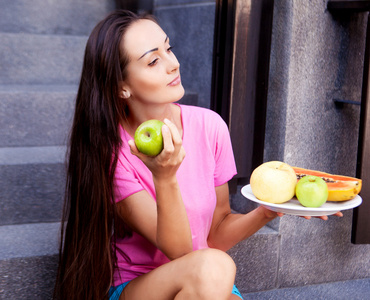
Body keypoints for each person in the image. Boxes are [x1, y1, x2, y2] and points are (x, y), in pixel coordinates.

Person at [53, 9, 343, 300]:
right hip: (142, 286)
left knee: (214, 272)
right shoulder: (114, 151)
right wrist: (164, 177)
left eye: (169, 49)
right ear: (122, 88)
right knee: (215, 267)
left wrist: (267, 211)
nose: (174, 64)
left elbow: (215, 234)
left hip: (206, 281)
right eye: (154, 60)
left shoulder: (210, 126)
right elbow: (179, 251)